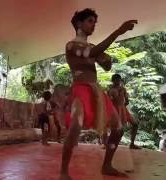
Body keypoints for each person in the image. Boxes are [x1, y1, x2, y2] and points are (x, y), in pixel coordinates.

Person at [60, 8, 137, 180]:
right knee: (75, 128)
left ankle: (107, 165)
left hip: (96, 90)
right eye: (90, 21)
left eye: (95, 22)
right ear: (79, 23)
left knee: (118, 129)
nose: (93, 25)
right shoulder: (71, 45)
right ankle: (64, 172)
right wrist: (118, 32)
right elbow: (90, 54)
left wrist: (106, 61)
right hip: (80, 89)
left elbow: (105, 64)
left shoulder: (92, 46)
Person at [108, 74, 141, 149]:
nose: (118, 81)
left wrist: (123, 106)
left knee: (135, 124)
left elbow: (127, 101)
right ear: (113, 81)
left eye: (119, 80)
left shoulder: (123, 89)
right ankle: (109, 144)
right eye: (116, 80)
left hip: (123, 109)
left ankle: (132, 144)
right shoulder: (110, 90)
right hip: (115, 111)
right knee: (116, 129)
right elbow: (109, 102)